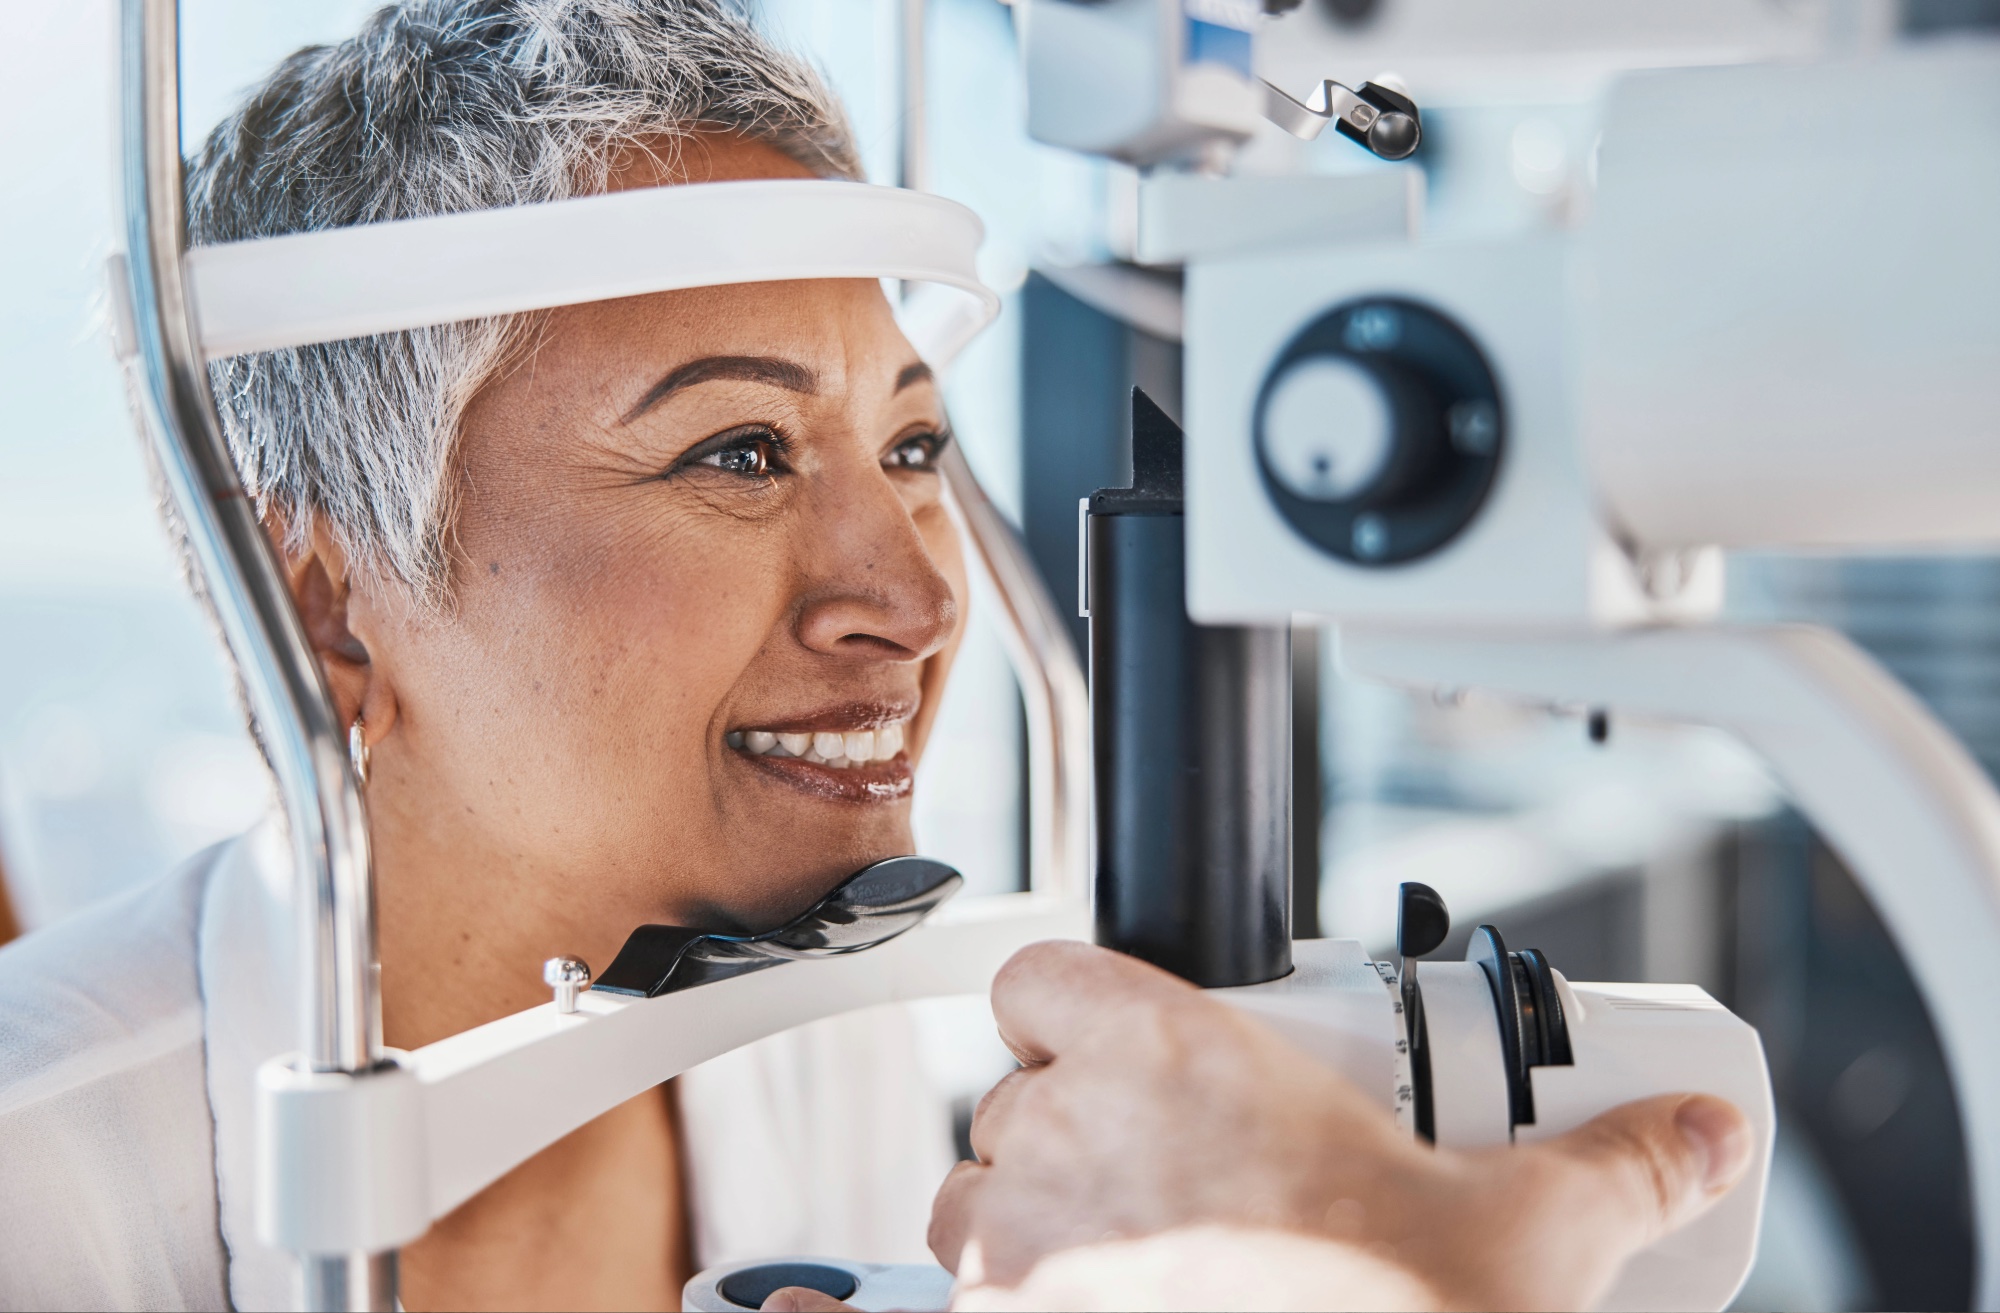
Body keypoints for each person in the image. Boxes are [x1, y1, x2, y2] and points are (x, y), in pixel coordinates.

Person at [0, 2, 964, 1307]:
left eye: (912, 449)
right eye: (738, 451)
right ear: (327, 616)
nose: (915, 597)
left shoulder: (824, 1051)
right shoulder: (36, 1181)